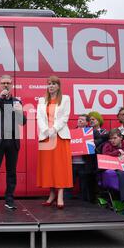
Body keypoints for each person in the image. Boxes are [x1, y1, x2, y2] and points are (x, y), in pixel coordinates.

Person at [0, 75, 26, 210]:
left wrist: (21, 112)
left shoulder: (17, 101)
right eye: (3, 83)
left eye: (8, 83)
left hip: (12, 142)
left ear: (12, 85)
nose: (6, 85)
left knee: (11, 172)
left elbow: (23, 122)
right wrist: (0, 98)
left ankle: (9, 199)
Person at [37, 76, 73, 209]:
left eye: (53, 84)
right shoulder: (41, 100)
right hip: (46, 136)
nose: (51, 86)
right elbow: (39, 117)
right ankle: (51, 194)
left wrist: (54, 129)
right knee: (48, 167)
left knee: (60, 166)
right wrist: (46, 130)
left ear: (58, 86)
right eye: (49, 84)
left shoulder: (66, 99)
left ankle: (60, 196)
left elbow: (65, 117)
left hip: (60, 136)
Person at [71, 114, 97, 202]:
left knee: (84, 187)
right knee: (69, 186)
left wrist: (92, 143)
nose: (79, 121)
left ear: (87, 122)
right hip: (72, 164)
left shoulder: (90, 133)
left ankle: (85, 204)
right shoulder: (71, 132)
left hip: (84, 164)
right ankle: (66, 203)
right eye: (78, 119)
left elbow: (102, 138)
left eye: (82, 120)